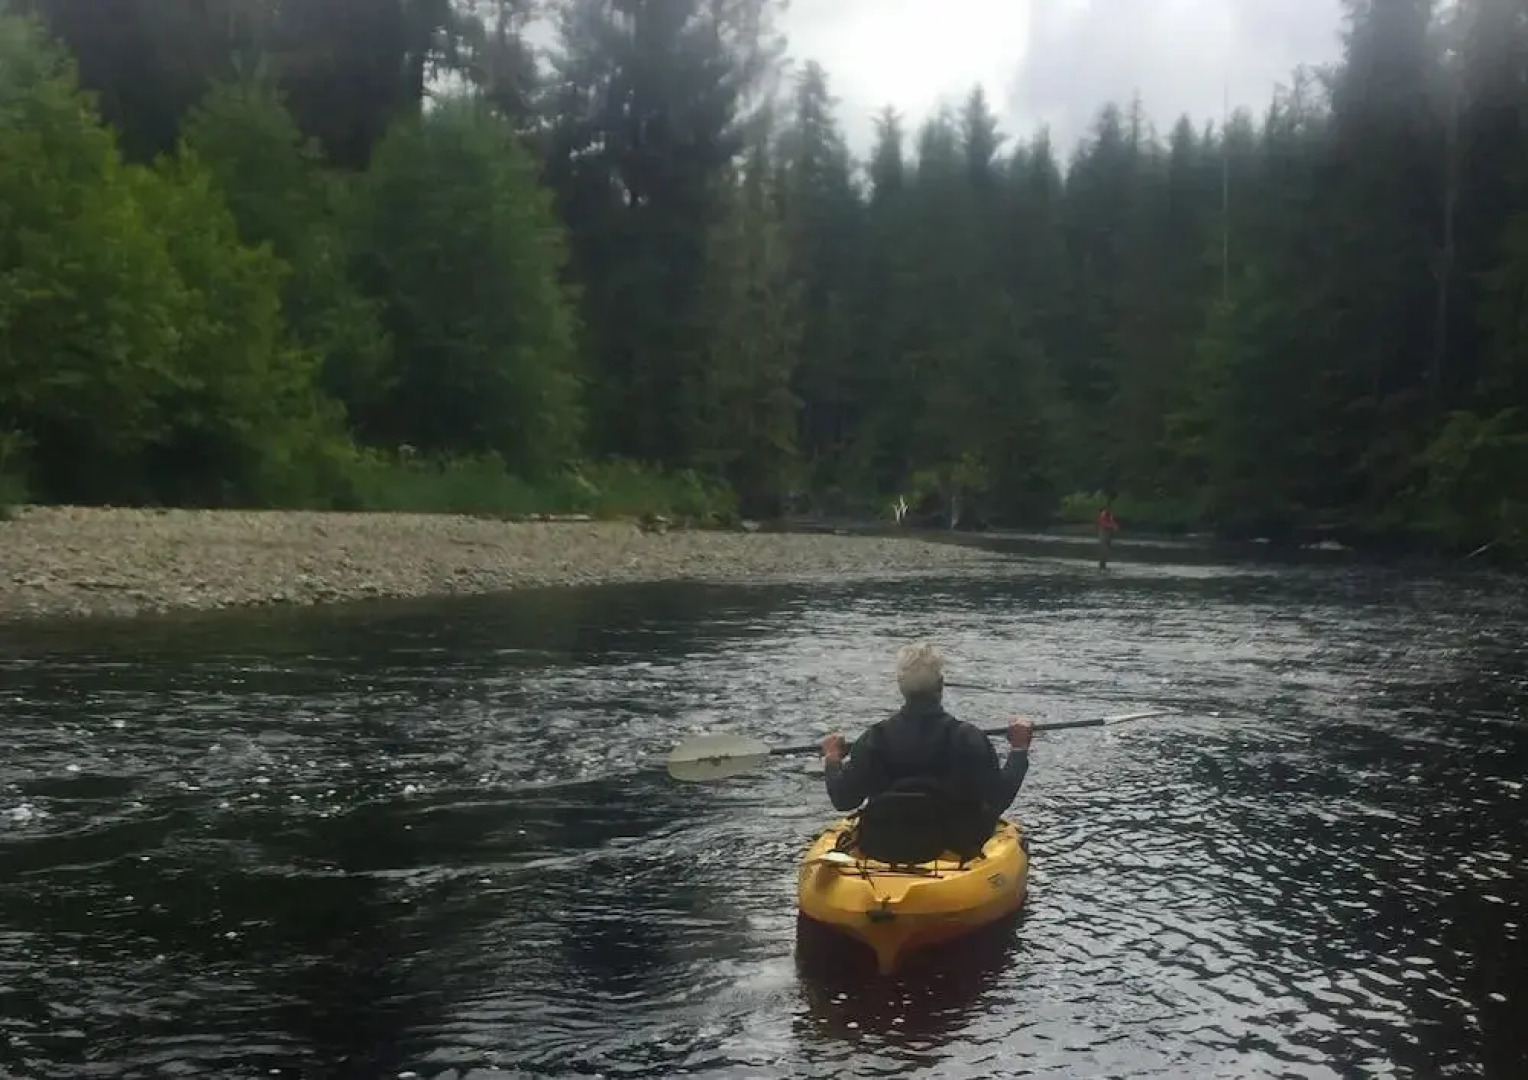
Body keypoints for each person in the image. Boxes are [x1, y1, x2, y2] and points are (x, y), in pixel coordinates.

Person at [819, 643, 1033, 864]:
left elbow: (843, 799)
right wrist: (1019, 749)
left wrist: (832, 759)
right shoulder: (968, 738)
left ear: (901, 687)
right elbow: (998, 798)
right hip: (953, 849)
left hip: (882, 848)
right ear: (941, 685)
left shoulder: (875, 738)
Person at [1096, 502, 1120, 569]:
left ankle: (1103, 564)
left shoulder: (1109, 515)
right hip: (1103, 532)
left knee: (1107, 548)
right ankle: (1102, 564)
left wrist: (1115, 525)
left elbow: (1112, 522)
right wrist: (1113, 526)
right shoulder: (1103, 515)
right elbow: (1104, 523)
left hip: (1108, 532)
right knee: (1105, 548)